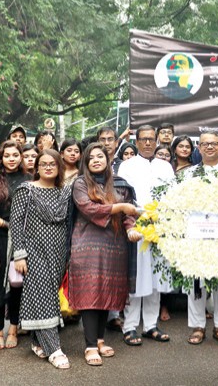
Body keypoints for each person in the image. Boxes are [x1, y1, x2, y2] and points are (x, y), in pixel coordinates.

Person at [67, 143, 139, 366]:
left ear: (108, 160)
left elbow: (130, 213)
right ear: (85, 162)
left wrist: (131, 228)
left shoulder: (119, 184)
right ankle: (89, 346)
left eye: (100, 156)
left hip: (114, 246)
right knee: (90, 294)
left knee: (106, 291)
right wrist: (120, 208)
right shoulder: (80, 183)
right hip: (86, 245)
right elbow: (89, 209)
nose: (96, 160)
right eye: (91, 158)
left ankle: (99, 340)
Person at [9, 149, 73, 368]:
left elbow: (68, 223)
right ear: (36, 167)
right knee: (44, 297)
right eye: (43, 164)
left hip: (58, 253)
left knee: (47, 296)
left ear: (59, 167)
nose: (48, 167)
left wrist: (69, 254)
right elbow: (16, 223)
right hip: (34, 252)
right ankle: (54, 349)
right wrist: (20, 254)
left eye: (52, 164)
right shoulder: (26, 190)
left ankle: (37, 341)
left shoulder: (65, 192)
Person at [182, 131, 218, 346]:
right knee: (196, 282)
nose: (209, 147)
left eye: (214, 144)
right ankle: (198, 326)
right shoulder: (189, 174)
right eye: (205, 144)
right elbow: (182, 203)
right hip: (197, 234)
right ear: (199, 147)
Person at [117, 126, 175, 346]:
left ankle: (151, 325)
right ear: (137, 141)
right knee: (136, 276)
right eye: (144, 139)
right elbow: (123, 195)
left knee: (156, 276)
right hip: (136, 225)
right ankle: (130, 326)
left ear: (157, 140)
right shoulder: (127, 165)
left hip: (160, 227)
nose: (148, 143)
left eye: (151, 139)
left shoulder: (165, 166)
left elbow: (172, 195)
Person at [0, 141, 29, 350]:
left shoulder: (29, 179)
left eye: (15, 155)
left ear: (21, 157)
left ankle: (13, 329)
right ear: (0, 158)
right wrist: (5, 224)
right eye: (7, 155)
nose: (11, 159)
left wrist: (17, 228)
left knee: (18, 284)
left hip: (22, 239)